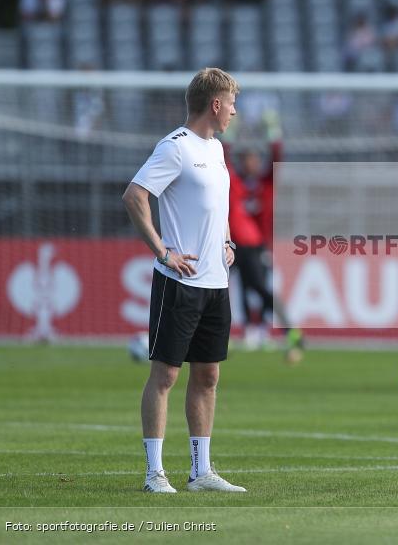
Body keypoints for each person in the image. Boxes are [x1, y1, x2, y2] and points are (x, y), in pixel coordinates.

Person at [122, 67, 246, 493]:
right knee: (166, 376)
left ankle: (201, 472)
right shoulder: (174, 148)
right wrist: (163, 251)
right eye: (231, 103)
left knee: (208, 376)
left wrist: (228, 242)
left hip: (215, 283)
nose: (234, 110)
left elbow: (216, 207)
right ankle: (155, 472)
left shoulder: (217, 150)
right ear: (215, 105)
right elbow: (135, 196)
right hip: (179, 283)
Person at [223, 142, 304, 361]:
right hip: (230, 242)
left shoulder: (265, 184)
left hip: (254, 244)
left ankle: (287, 328)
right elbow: (224, 161)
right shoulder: (235, 182)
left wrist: (275, 139)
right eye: (247, 159)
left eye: (254, 159)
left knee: (258, 286)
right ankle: (245, 331)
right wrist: (228, 141)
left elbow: (277, 161)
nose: (251, 163)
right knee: (227, 287)